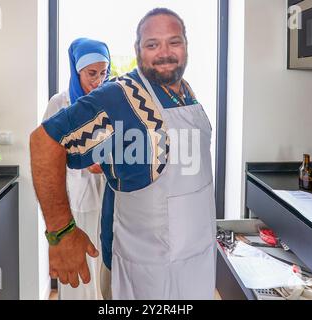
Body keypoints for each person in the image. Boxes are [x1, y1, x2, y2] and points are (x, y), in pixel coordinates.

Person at [30, 8, 216, 299]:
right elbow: (43, 142)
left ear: (186, 46)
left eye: (174, 42)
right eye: (152, 44)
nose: (165, 53)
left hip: (196, 257)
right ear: (138, 50)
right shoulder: (120, 95)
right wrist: (61, 233)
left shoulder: (186, 92)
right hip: (144, 270)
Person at [42, 38, 110, 300]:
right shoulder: (60, 104)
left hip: (109, 190)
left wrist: (106, 160)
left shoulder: (108, 100)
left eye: (103, 72)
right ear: (76, 70)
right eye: (91, 73)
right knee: (81, 261)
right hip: (77, 194)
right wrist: (80, 159)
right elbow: (47, 153)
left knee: (104, 256)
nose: (98, 80)